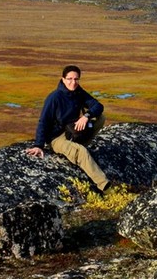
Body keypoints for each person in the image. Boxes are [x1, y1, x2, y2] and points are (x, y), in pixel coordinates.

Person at [26, 64, 111, 193]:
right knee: (81, 152)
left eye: (76, 79)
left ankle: (78, 145)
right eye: (70, 79)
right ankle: (104, 185)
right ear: (63, 79)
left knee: (101, 117)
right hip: (56, 139)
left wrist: (86, 116)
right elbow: (43, 121)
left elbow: (98, 106)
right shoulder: (54, 98)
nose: (73, 82)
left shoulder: (78, 92)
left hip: (72, 131)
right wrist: (39, 145)